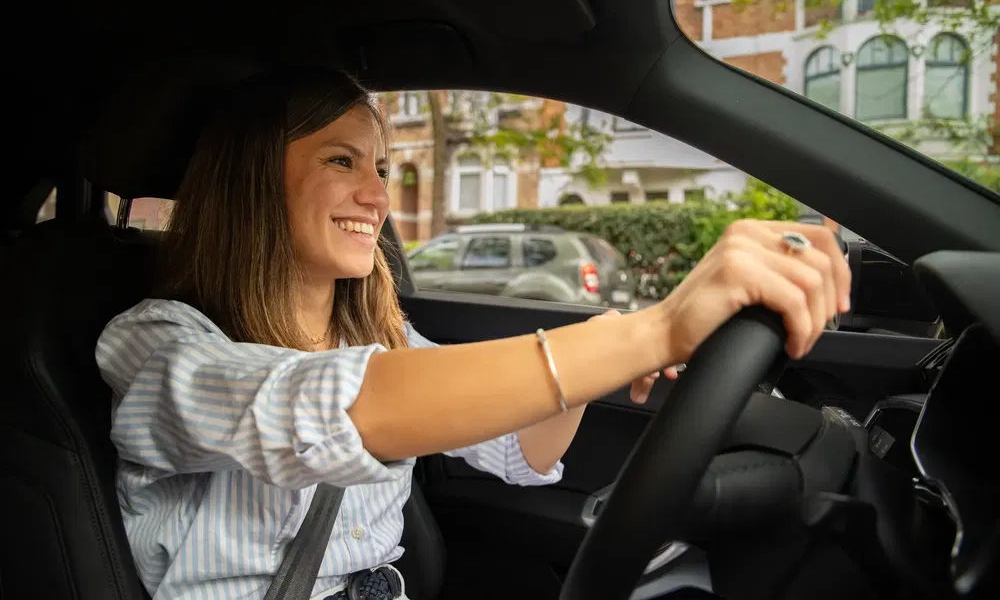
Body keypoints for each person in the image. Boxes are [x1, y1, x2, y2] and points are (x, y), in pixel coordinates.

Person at [96, 68, 851, 600]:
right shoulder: (158, 344)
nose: (378, 195)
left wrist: (605, 350)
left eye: (382, 167)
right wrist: (654, 331)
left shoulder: (383, 337)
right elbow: (322, 411)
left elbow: (519, 450)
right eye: (341, 160)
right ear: (254, 181)